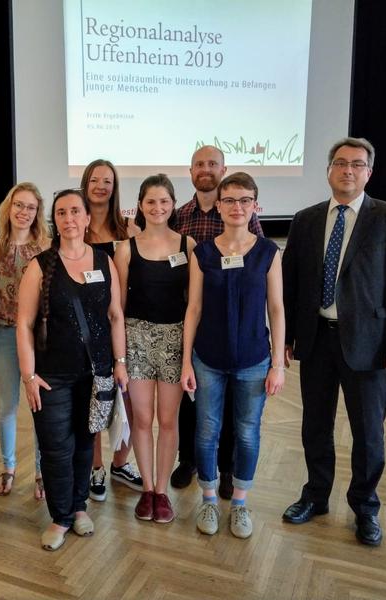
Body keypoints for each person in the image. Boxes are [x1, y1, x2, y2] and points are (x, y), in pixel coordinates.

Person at [281, 137, 386, 546]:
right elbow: (292, 283)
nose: (348, 171)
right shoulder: (305, 219)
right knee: (315, 425)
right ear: (328, 170)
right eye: (340, 163)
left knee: (368, 434)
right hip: (317, 341)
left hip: (371, 347)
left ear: (369, 173)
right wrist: (287, 336)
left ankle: (365, 507)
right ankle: (315, 496)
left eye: (357, 165)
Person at [17, 189, 128, 551]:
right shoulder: (40, 265)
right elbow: (24, 323)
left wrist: (121, 362)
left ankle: (79, 508)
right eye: (61, 212)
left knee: (85, 441)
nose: (69, 219)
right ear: (56, 220)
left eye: (75, 211)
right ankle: (60, 516)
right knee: (54, 447)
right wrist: (29, 375)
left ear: (86, 218)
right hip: (52, 374)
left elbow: (115, 316)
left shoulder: (103, 260)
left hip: (96, 372)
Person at [181, 172, 284, 539]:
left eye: (245, 200)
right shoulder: (203, 253)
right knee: (207, 431)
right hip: (207, 360)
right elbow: (193, 309)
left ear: (255, 205)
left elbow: (276, 308)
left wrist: (277, 365)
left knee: (247, 433)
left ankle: (239, 503)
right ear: (219, 205)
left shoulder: (269, 253)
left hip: (254, 361)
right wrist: (185, 363)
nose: (237, 207)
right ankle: (209, 498)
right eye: (230, 200)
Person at [171, 145, 264, 498]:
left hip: (234, 323)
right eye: (199, 164)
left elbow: (258, 263)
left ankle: (226, 470)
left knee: (229, 411)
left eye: (212, 164)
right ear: (190, 171)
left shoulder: (242, 214)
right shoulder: (179, 216)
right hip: (192, 317)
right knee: (191, 402)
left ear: (223, 170)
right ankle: (188, 461)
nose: (205, 169)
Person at [114, 174, 194, 523]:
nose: (158, 207)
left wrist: (189, 355)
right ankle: (147, 489)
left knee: (168, 419)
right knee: (142, 419)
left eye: (164, 201)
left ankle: (163, 491)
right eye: (151, 201)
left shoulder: (187, 246)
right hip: (137, 338)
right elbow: (116, 309)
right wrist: (119, 357)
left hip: (176, 338)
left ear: (173, 204)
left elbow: (193, 305)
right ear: (140, 205)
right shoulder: (125, 248)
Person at [80, 159, 143, 501]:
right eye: (94, 179)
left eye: (107, 180)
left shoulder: (129, 230)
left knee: (130, 399)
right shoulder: (77, 228)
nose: (101, 186)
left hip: (124, 325)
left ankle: (121, 461)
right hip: (87, 331)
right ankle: (96, 468)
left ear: (115, 187)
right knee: (95, 400)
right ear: (85, 184)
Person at [0, 183, 50, 499]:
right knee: (7, 406)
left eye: (31, 207)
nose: (24, 212)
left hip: (41, 338)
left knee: (41, 408)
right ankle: (9, 468)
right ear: (9, 208)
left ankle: (40, 472)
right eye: (18, 205)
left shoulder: (47, 246)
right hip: (7, 334)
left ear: (38, 213)